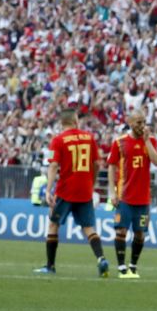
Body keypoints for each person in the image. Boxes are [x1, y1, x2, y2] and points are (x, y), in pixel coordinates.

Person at [33, 109, 110, 277]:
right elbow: (97, 164)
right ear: (75, 120)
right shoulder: (89, 138)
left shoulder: (58, 140)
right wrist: (92, 181)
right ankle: (101, 258)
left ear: (62, 123)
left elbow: (53, 165)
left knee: (53, 224)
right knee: (89, 228)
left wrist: (48, 190)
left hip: (66, 190)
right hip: (85, 189)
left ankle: (50, 266)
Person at [107, 110, 157, 278]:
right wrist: (112, 191)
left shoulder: (150, 141)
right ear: (130, 123)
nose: (142, 126)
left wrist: (147, 142)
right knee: (121, 232)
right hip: (124, 197)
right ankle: (121, 267)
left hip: (143, 199)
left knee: (140, 233)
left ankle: (133, 266)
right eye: (138, 122)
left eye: (144, 122)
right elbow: (111, 166)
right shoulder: (120, 142)